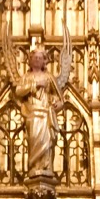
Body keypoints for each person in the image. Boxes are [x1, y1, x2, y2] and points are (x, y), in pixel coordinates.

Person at [15, 47, 65, 178]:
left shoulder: (49, 77)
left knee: (47, 144)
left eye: (40, 58)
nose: (37, 60)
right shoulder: (26, 77)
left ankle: (45, 167)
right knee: (33, 141)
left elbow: (61, 100)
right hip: (32, 115)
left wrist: (56, 105)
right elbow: (18, 92)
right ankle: (35, 167)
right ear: (29, 60)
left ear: (44, 61)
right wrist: (35, 85)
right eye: (34, 57)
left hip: (46, 115)